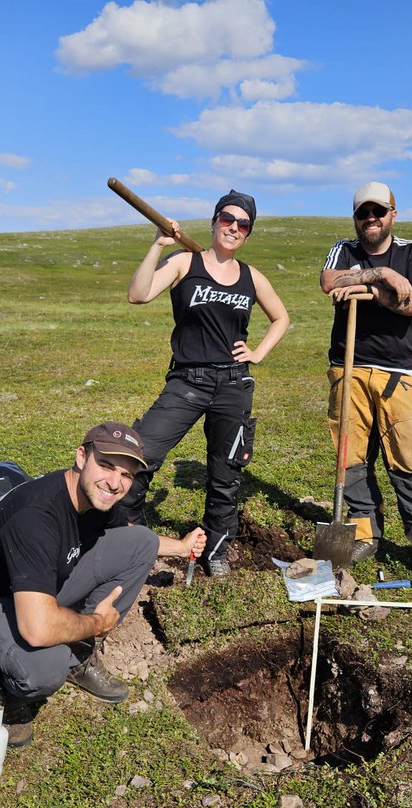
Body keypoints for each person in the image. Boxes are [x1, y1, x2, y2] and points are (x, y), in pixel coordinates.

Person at [0, 422, 206, 748]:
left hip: (34, 590)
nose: (115, 483)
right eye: (106, 465)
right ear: (81, 457)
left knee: (142, 542)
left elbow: (128, 535)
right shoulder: (36, 516)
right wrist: (95, 623)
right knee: (46, 666)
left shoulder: (94, 497)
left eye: (126, 475)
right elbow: (36, 629)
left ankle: (77, 655)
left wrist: (181, 546)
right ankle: (12, 692)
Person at [121, 189, 290, 577]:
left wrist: (258, 352)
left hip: (233, 384)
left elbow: (281, 318)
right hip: (188, 381)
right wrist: (157, 245)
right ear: (214, 221)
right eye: (227, 219)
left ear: (248, 232)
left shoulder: (251, 276)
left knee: (225, 473)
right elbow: (138, 294)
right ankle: (129, 531)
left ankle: (217, 549)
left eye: (243, 224)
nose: (233, 227)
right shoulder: (185, 262)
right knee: (141, 453)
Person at [319, 182, 412, 589]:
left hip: (399, 372)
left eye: (378, 211)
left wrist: (367, 289)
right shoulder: (343, 249)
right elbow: (329, 282)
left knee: (410, 458)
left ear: (393, 214)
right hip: (348, 368)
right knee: (350, 457)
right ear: (355, 218)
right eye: (363, 213)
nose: (371, 219)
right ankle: (364, 533)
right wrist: (383, 276)